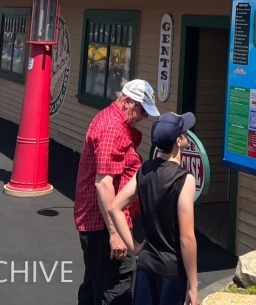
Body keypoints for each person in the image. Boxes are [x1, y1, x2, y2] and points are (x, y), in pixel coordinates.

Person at [74, 79, 160, 305]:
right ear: (128, 102)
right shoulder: (112, 128)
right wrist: (115, 235)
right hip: (104, 226)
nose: (144, 117)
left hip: (103, 222)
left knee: (94, 285)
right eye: (142, 111)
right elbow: (103, 184)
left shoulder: (117, 123)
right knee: (117, 289)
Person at [109, 112, 200, 305]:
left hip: (146, 264)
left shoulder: (144, 170)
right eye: (184, 132)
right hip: (171, 271)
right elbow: (186, 237)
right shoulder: (184, 179)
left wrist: (134, 247)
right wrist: (193, 286)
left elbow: (115, 207)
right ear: (178, 141)